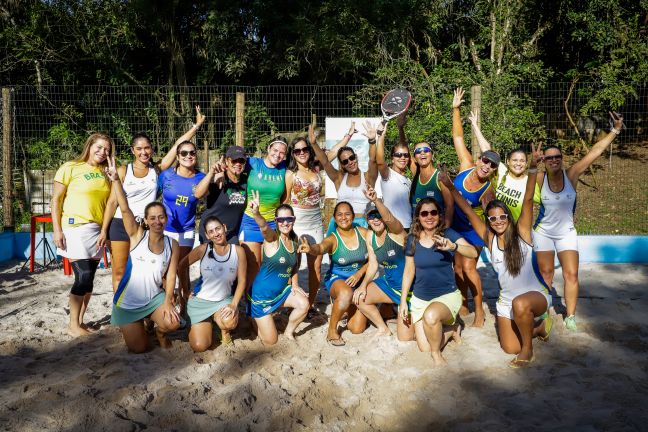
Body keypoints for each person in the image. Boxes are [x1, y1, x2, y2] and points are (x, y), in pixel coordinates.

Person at [439, 143, 553, 368]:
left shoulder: (522, 233)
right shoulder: (489, 239)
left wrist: (532, 169)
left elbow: (529, 200)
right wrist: (452, 188)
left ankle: (528, 351)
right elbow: (469, 211)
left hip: (535, 296)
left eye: (502, 217)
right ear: (488, 222)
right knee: (509, 347)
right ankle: (539, 327)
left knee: (521, 306)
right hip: (506, 302)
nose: (498, 221)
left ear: (508, 218)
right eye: (492, 218)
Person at [534, 112, 624, 332]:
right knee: (546, 274)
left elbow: (596, 151)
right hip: (543, 232)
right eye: (549, 158)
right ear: (544, 162)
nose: (554, 160)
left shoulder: (571, 174)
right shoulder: (539, 177)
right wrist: (531, 161)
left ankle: (570, 316)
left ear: (561, 159)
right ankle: (545, 310)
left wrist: (615, 130)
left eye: (557, 157)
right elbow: (522, 174)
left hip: (566, 232)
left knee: (571, 274)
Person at [100, 106, 205, 292]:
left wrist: (196, 126)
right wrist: (103, 231)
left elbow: (178, 146)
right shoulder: (124, 171)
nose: (143, 152)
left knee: (148, 270)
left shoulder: (157, 170)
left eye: (147, 147)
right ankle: (120, 313)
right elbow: (112, 203)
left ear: (151, 149)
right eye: (139, 148)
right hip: (120, 224)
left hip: (146, 226)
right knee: (119, 271)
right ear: (133, 150)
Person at [105, 157, 180, 353]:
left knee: (172, 323)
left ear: (166, 219)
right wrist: (115, 180)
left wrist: (168, 301)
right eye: (153, 218)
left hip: (154, 298)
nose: (157, 221)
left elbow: (171, 276)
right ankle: (138, 325)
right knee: (139, 348)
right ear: (146, 220)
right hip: (128, 302)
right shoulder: (137, 235)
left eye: (161, 217)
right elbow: (124, 208)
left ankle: (159, 332)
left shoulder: (172, 243)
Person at [398, 198, 478, 366]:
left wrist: (454, 247)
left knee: (431, 317)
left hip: (447, 296)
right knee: (424, 347)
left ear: (439, 215)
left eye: (433, 212)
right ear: (418, 217)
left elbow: (472, 252)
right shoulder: (412, 239)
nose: (429, 216)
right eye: (424, 213)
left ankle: (437, 355)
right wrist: (403, 301)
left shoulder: (447, 234)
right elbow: (408, 271)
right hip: (420, 299)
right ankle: (452, 330)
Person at [51, 133, 115, 337]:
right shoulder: (70, 167)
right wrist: (57, 229)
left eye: (106, 149)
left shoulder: (106, 173)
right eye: (99, 147)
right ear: (89, 146)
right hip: (74, 226)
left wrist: (104, 230)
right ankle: (72, 326)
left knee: (89, 279)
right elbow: (56, 200)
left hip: (96, 230)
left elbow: (109, 206)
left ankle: (79, 321)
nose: (102, 152)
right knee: (83, 276)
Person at [451, 87, 498, 327]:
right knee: (457, 268)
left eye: (491, 165)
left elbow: (491, 213)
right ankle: (464, 301)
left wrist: (494, 236)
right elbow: (458, 138)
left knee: (469, 267)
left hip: (472, 229)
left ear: (493, 170)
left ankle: (479, 309)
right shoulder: (467, 165)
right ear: (479, 159)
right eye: (485, 160)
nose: (486, 166)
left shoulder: (486, 190)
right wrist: (456, 109)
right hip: (454, 225)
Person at [298, 201, 369, 346]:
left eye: (347, 214)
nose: (344, 217)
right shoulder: (333, 238)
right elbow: (320, 248)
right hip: (338, 278)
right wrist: (311, 249)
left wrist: (359, 274)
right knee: (345, 294)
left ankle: (345, 307)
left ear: (353, 216)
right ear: (335, 218)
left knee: (356, 329)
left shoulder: (363, 233)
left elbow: (375, 258)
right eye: (340, 215)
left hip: (359, 280)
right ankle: (332, 330)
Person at [246, 192, 309, 346]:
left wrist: (295, 284)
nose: (285, 223)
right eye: (281, 219)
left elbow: (294, 266)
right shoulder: (273, 239)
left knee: (304, 304)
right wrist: (256, 214)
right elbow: (264, 227)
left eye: (289, 219)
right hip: (261, 298)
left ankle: (288, 332)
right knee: (271, 341)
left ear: (294, 220)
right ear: (276, 221)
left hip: (281, 293)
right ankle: (252, 317)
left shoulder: (295, 242)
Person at [352, 185, 414, 340]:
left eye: (378, 215)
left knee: (405, 338)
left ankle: (401, 311)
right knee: (359, 297)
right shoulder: (370, 236)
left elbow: (389, 218)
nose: (376, 219)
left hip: (411, 290)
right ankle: (383, 327)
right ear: (367, 220)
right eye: (371, 216)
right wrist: (363, 285)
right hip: (390, 284)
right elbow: (373, 264)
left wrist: (376, 200)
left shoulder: (396, 231)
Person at [180, 216, 247, 352]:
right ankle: (202, 323)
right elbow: (181, 266)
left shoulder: (238, 251)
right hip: (200, 302)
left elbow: (242, 281)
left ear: (224, 227)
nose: (216, 233)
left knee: (230, 321)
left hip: (222, 301)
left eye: (218, 229)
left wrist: (234, 304)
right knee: (200, 346)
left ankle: (224, 331)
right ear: (207, 235)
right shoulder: (202, 249)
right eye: (211, 231)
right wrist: (185, 291)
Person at [158, 140, 208, 313]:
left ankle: (185, 309)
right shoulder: (166, 175)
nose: (188, 156)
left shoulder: (201, 177)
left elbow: (207, 196)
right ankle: (168, 305)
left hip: (186, 230)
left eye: (192, 153)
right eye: (184, 153)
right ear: (178, 157)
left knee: (182, 268)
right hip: (165, 229)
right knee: (165, 271)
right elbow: (152, 196)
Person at [468, 110, 540, 221]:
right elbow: (487, 149)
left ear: (526, 164)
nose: (518, 164)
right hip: (496, 223)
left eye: (522, 161)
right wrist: (475, 125)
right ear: (507, 161)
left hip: (516, 229)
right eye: (515, 160)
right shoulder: (501, 171)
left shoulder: (530, 183)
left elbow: (548, 202)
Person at [310, 121, 378, 233]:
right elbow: (325, 162)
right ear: (342, 164)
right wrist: (314, 143)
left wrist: (372, 141)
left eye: (351, 158)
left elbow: (373, 160)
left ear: (356, 157)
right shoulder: (339, 178)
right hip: (339, 224)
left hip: (361, 225)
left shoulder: (368, 177)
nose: (350, 162)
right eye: (345, 161)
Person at [239, 137, 288, 289]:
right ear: (268, 149)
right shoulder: (253, 163)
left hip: (272, 224)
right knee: (254, 267)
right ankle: (249, 306)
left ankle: (262, 301)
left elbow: (314, 162)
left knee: (269, 266)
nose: (277, 155)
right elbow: (233, 165)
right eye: (275, 150)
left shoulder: (284, 168)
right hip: (250, 221)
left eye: (282, 152)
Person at [285, 125, 325, 308]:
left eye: (304, 149)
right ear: (293, 154)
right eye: (297, 150)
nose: (301, 153)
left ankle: (310, 304)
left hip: (316, 221)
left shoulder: (316, 170)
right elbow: (285, 201)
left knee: (315, 267)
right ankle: (293, 302)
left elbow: (330, 156)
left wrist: (347, 138)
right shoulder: (290, 174)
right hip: (297, 223)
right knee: (293, 266)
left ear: (309, 151)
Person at [198, 146, 248, 245]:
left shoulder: (246, 180)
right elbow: (198, 194)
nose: (238, 163)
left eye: (241, 161)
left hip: (231, 234)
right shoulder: (218, 179)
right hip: (212, 232)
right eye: (234, 160)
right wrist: (211, 173)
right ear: (227, 162)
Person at [372, 122, 415, 230]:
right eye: (398, 155)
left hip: (409, 228)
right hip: (393, 229)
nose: (402, 157)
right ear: (392, 158)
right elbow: (380, 162)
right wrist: (381, 137)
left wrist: (401, 127)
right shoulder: (388, 175)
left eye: (406, 155)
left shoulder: (409, 180)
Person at [409, 141, 454, 228]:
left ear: (432, 155)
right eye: (418, 151)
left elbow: (450, 206)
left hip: (436, 231)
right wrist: (400, 130)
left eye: (426, 150)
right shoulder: (415, 175)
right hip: (417, 232)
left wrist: (445, 230)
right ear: (414, 158)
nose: (422, 153)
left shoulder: (440, 177)